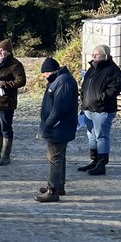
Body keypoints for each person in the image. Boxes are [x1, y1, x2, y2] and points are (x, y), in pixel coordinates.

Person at [36, 57, 79, 203]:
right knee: (58, 157)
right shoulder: (60, 80)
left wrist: (47, 125)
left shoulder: (63, 82)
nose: (44, 77)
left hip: (59, 127)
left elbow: (59, 109)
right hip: (59, 126)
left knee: (54, 158)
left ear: (51, 71)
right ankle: (58, 185)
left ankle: (53, 190)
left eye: (45, 74)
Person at [79, 43, 121, 176]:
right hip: (88, 108)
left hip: (103, 109)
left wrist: (100, 99)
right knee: (91, 136)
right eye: (93, 54)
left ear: (105, 55)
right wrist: (83, 103)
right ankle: (94, 160)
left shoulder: (113, 70)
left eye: (96, 54)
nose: (93, 56)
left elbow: (114, 90)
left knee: (101, 136)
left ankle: (102, 163)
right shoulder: (92, 69)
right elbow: (85, 86)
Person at [0, 39, 27, 166]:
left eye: (3, 50)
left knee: (6, 129)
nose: (1, 52)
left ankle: (5, 156)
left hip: (5, 103)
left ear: (9, 51)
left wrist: (5, 84)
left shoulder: (15, 65)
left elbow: (21, 81)